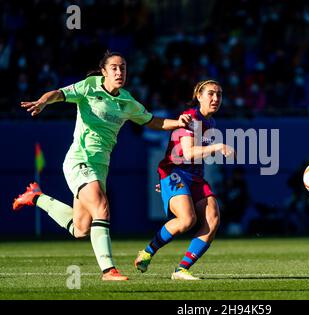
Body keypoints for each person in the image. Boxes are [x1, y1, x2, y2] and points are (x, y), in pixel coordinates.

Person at [12, 51, 192, 281]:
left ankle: (36, 197)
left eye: (123, 68)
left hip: (100, 166)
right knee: (101, 206)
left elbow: (152, 121)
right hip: (80, 159)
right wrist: (43, 101)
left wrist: (178, 122)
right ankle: (109, 270)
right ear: (104, 71)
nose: (119, 72)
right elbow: (59, 93)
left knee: (81, 229)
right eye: (114, 68)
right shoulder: (89, 86)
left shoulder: (127, 101)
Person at [134, 79, 235, 280]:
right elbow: (187, 153)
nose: (216, 98)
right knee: (187, 219)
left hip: (194, 177)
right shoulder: (190, 118)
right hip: (175, 172)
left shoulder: (210, 122)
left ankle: (181, 269)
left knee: (213, 218)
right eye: (211, 94)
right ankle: (147, 252)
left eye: (219, 94)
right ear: (199, 96)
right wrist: (217, 147)